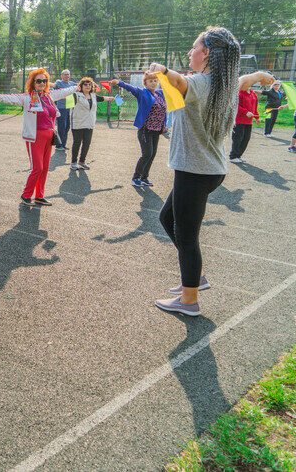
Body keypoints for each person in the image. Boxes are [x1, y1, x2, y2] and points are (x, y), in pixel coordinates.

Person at [150, 27, 267, 317]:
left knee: (187, 236)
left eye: (194, 47)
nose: (190, 52)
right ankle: (195, 277)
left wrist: (162, 70)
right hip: (207, 170)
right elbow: (244, 79)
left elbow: (178, 80)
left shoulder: (201, 83)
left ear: (208, 54)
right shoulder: (223, 83)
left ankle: (189, 300)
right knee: (167, 218)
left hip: (195, 171)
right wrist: (262, 76)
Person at [0, 69, 78, 205]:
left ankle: (39, 195)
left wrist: (76, 87)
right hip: (35, 136)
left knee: (44, 168)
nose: (42, 83)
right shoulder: (27, 97)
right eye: (39, 81)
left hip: (49, 136)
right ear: (33, 82)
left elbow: (64, 92)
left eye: (44, 81)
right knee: (37, 168)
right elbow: (11, 98)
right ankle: (26, 195)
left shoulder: (49, 96)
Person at [110, 72, 168, 187]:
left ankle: (144, 177)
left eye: (155, 80)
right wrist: (119, 83)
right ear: (145, 83)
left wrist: (164, 125)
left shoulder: (160, 94)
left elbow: (164, 109)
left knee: (152, 154)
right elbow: (130, 88)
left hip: (156, 130)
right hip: (145, 129)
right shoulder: (142, 92)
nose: (153, 83)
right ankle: (136, 177)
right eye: (150, 81)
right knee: (147, 154)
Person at [69, 78, 115, 170]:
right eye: (85, 84)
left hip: (89, 124)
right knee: (77, 143)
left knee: (87, 143)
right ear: (81, 86)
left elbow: (102, 98)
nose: (87, 86)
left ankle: (82, 162)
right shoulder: (75, 95)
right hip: (78, 123)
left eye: (89, 84)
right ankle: (73, 162)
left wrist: (111, 98)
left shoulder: (93, 96)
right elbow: (67, 105)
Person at [228, 80, 262, 163]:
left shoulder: (253, 94)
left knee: (246, 138)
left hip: (248, 121)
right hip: (239, 120)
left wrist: (257, 117)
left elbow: (255, 108)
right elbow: (235, 105)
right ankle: (233, 156)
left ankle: (238, 156)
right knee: (237, 138)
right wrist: (245, 112)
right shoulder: (239, 93)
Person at [53, 69, 76, 150]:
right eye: (65, 74)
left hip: (69, 107)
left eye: (68, 74)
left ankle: (63, 144)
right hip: (61, 108)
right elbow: (54, 85)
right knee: (61, 127)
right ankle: (58, 145)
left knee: (67, 127)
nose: (67, 76)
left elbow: (81, 85)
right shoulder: (59, 83)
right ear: (61, 76)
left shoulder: (72, 83)